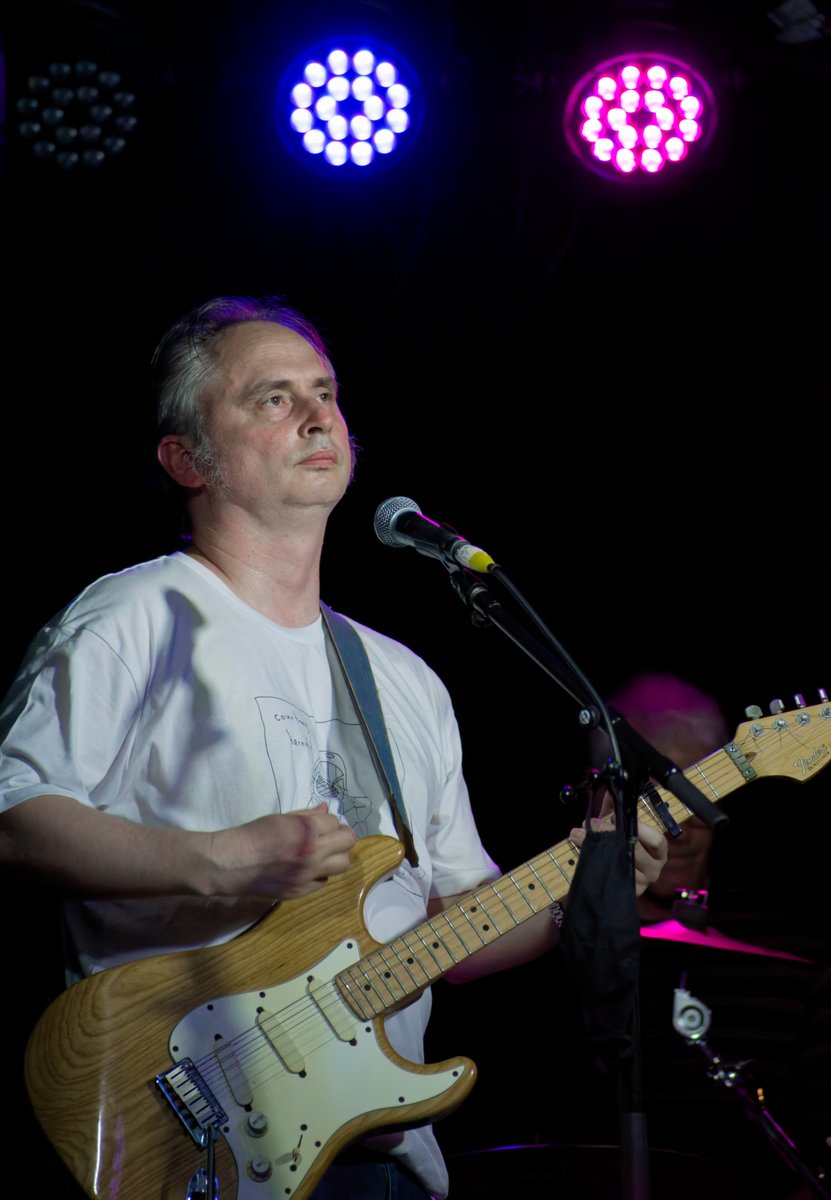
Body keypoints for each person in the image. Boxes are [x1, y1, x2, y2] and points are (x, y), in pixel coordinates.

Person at [0, 294, 668, 1200]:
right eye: (272, 398)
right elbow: (13, 821)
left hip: (376, 1152)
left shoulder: (400, 677)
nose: (320, 415)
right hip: (186, 1133)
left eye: (325, 391)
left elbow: (447, 925)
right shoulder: (136, 618)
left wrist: (584, 890)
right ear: (186, 458)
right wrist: (219, 860)